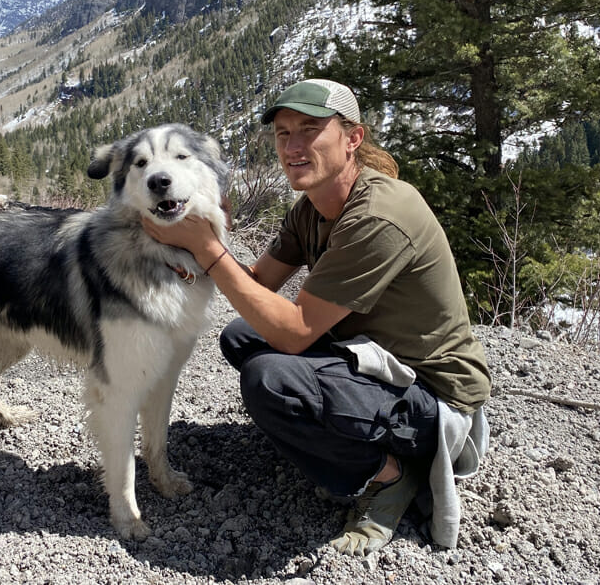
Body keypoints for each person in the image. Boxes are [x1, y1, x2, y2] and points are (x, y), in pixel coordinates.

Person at [142, 78, 491, 555]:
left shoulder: (379, 215)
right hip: (373, 362)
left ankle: (390, 474)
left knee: (271, 378)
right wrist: (205, 237)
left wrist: (204, 248)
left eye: (310, 129)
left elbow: (293, 333)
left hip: (433, 395)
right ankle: (343, 441)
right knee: (241, 337)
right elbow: (257, 284)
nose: (294, 145)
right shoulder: (311, 208)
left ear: (353, 139)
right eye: (284, 134)